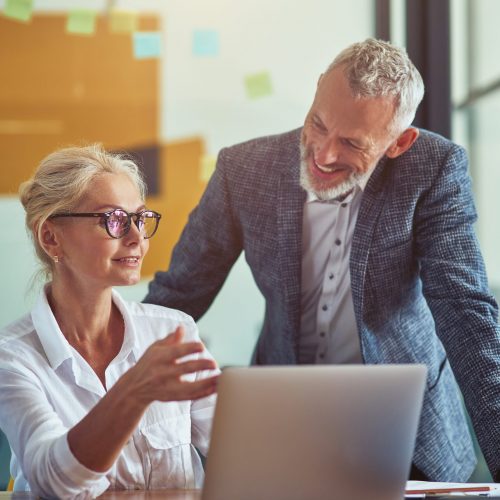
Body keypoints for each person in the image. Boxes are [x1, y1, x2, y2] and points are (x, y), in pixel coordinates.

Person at [145, 38, 500, 482]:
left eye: (352, 142)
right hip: (283, 420)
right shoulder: (243, 170)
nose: (324, 154)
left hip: (411, 430)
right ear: (316, 94)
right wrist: (108, 403)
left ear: (399, 142)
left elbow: (464, 310)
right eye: (318, 124)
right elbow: (177, 295)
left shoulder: (434, 168)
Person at [0, 145, 219, 498]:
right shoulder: (12, 359)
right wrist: (134, 391)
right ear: (51, 237)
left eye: (140, 218)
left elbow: (238, 448)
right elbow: (51, 480)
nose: (136, 238)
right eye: (114, 220)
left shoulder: (171, 330)